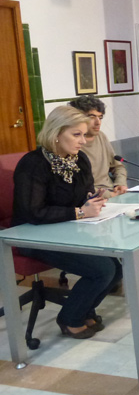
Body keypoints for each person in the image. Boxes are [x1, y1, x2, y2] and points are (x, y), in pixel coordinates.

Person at [12, 106, 122, 339]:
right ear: (56, 134)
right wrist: (80, 213)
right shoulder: (33, 164)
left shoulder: (78, 159)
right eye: (76, 134)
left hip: (66, 229)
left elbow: (84, 193)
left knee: (117, 268)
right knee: (102, 270)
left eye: (84, 134)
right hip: (31, 235)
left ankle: (84, 309)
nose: (83, 141)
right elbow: (34, 212)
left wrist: (93, 199)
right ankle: (69, 318)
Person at [68, 95, 128, 198]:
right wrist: (109, 195)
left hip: (112, 193)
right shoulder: (70, 145)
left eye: (100, 117)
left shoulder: (101, 136)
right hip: (91, 198)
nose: (98, 122)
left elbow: (117, 167)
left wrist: (120, 183)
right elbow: (78, 186)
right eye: (92, 117)